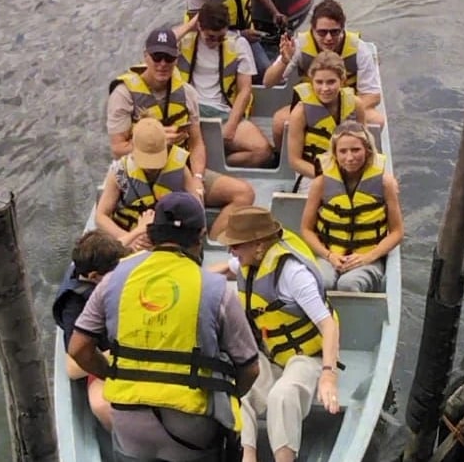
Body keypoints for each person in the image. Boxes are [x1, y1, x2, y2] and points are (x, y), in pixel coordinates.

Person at [70, 192, 260, 462]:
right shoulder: (216, 290)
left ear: (151, 232)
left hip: (129, 421)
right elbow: (250, 367)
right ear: (201, 235)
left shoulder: (113, 279)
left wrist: (112, 373)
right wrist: (228, 392)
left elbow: (78, 349)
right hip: (191, 428)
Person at [213, 206, 341, 462]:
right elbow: (225, 269)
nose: (231, 251)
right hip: (269, 354)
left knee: (282, 394)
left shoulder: (293, 273)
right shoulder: (249, 259)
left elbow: (329, 325)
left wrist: (328, 375)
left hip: (306, 356)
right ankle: (247, 456)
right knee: (239, 389)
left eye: (235, 245)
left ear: (259, 245)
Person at [106, 27, 255, 239]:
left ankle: (211, 240)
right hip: (141, 175)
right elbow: (118, 148)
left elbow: (196, 143)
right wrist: (154, 143)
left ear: (176, 59)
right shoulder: (124, 95)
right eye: (157, 57)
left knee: (244, 193)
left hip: (179, 170)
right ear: (146, 56)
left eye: (169, 58)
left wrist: (196, 177)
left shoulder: (186, 93)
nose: (162, 64)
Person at [263, 0, 385, 150]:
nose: (328, 38)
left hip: (346, 105)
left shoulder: (360, 50)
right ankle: (287, 160)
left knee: (377, 120)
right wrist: (284, 62)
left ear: (342, 29)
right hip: (310, 106)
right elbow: (268, 82)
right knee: (279, 121)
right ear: (312, 29)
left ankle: (361, 157)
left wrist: (340, 111)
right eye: (322, 32)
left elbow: (373, 96)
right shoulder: (299, 45)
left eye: (334, 32)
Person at [300, 123, 403, 292]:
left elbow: (397, 232)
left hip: (368, 256)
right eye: (343, 151)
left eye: (356, 150)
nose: (349, 158)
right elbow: (306, 229)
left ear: (367, 150)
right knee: (322, 282)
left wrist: (367, 257)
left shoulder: (385, 183)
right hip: (330, 254)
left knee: (348, 285)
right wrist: (330, 256)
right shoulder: (321, 183)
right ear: (334, 153)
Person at [178, 2, 275, 167]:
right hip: (188, 111)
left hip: (222, 112)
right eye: (210, 37)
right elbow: (153, 49)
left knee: (263, 151)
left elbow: (245, 90)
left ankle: (216, 164)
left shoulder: (238, 44)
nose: (215, 42)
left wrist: (231, 125)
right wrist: (189, 25)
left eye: (220, 37)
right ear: (200, 27)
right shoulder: (184, 40)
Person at [52, 229, 130, 432]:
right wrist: (125, 351)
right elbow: (73, 367)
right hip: (109, 353)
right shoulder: (75, 306)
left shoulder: (84, 264)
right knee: (101, 405)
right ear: (94, 276)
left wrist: (138, 231)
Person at [97, 117, 203, 251]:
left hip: (169, 242)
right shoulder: (119, 172)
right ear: (133, 148)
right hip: (132, 241)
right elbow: (101, 216)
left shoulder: (180, 167)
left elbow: (197, 209)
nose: (151, 167)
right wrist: (129, 238)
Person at [184, 0, 288, 75]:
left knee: (266, 72)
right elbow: (195, 26)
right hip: (213, 41)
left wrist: (275, 13)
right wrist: (239, 35)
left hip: (247, 36)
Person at [287, 50, 366, 193]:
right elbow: (295, 161)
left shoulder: (356, 105)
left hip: (351, 168)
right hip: (313, 172)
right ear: (312, 82)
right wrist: (329, 177)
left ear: (342, 80)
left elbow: (366, 147)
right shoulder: (300, 112)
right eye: (319, 82)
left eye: (331, 82)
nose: (325, 88)